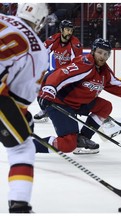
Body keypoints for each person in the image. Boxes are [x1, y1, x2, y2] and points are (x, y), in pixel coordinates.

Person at [33, 38, 121, 155]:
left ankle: (82, 139)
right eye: (100, 52)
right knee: (67, 144)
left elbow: (118, 85)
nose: (102, 56)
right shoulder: (85, 64)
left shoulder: (104, 71)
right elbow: (61, 74)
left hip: (77, 103)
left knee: (105, 107)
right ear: (93, 51)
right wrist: (48, 89)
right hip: (58, 102)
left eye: (106, 54)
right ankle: (31, 147)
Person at [0, 3, 49, 213]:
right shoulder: (38, 49)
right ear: (41, 20)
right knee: (22, 148)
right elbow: (19, 100)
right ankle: (19, 204)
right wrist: (23, 118)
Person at [34, 19, 83, 121]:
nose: (69, 32)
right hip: (56, 72)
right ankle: (45, 110)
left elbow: (77, 65)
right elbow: (42, 52)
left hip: (69, 75)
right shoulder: (54, 39)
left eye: (71, 30)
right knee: (40, 85)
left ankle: (75, 109)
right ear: (61, 30)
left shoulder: (75, 44)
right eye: (67, 30)